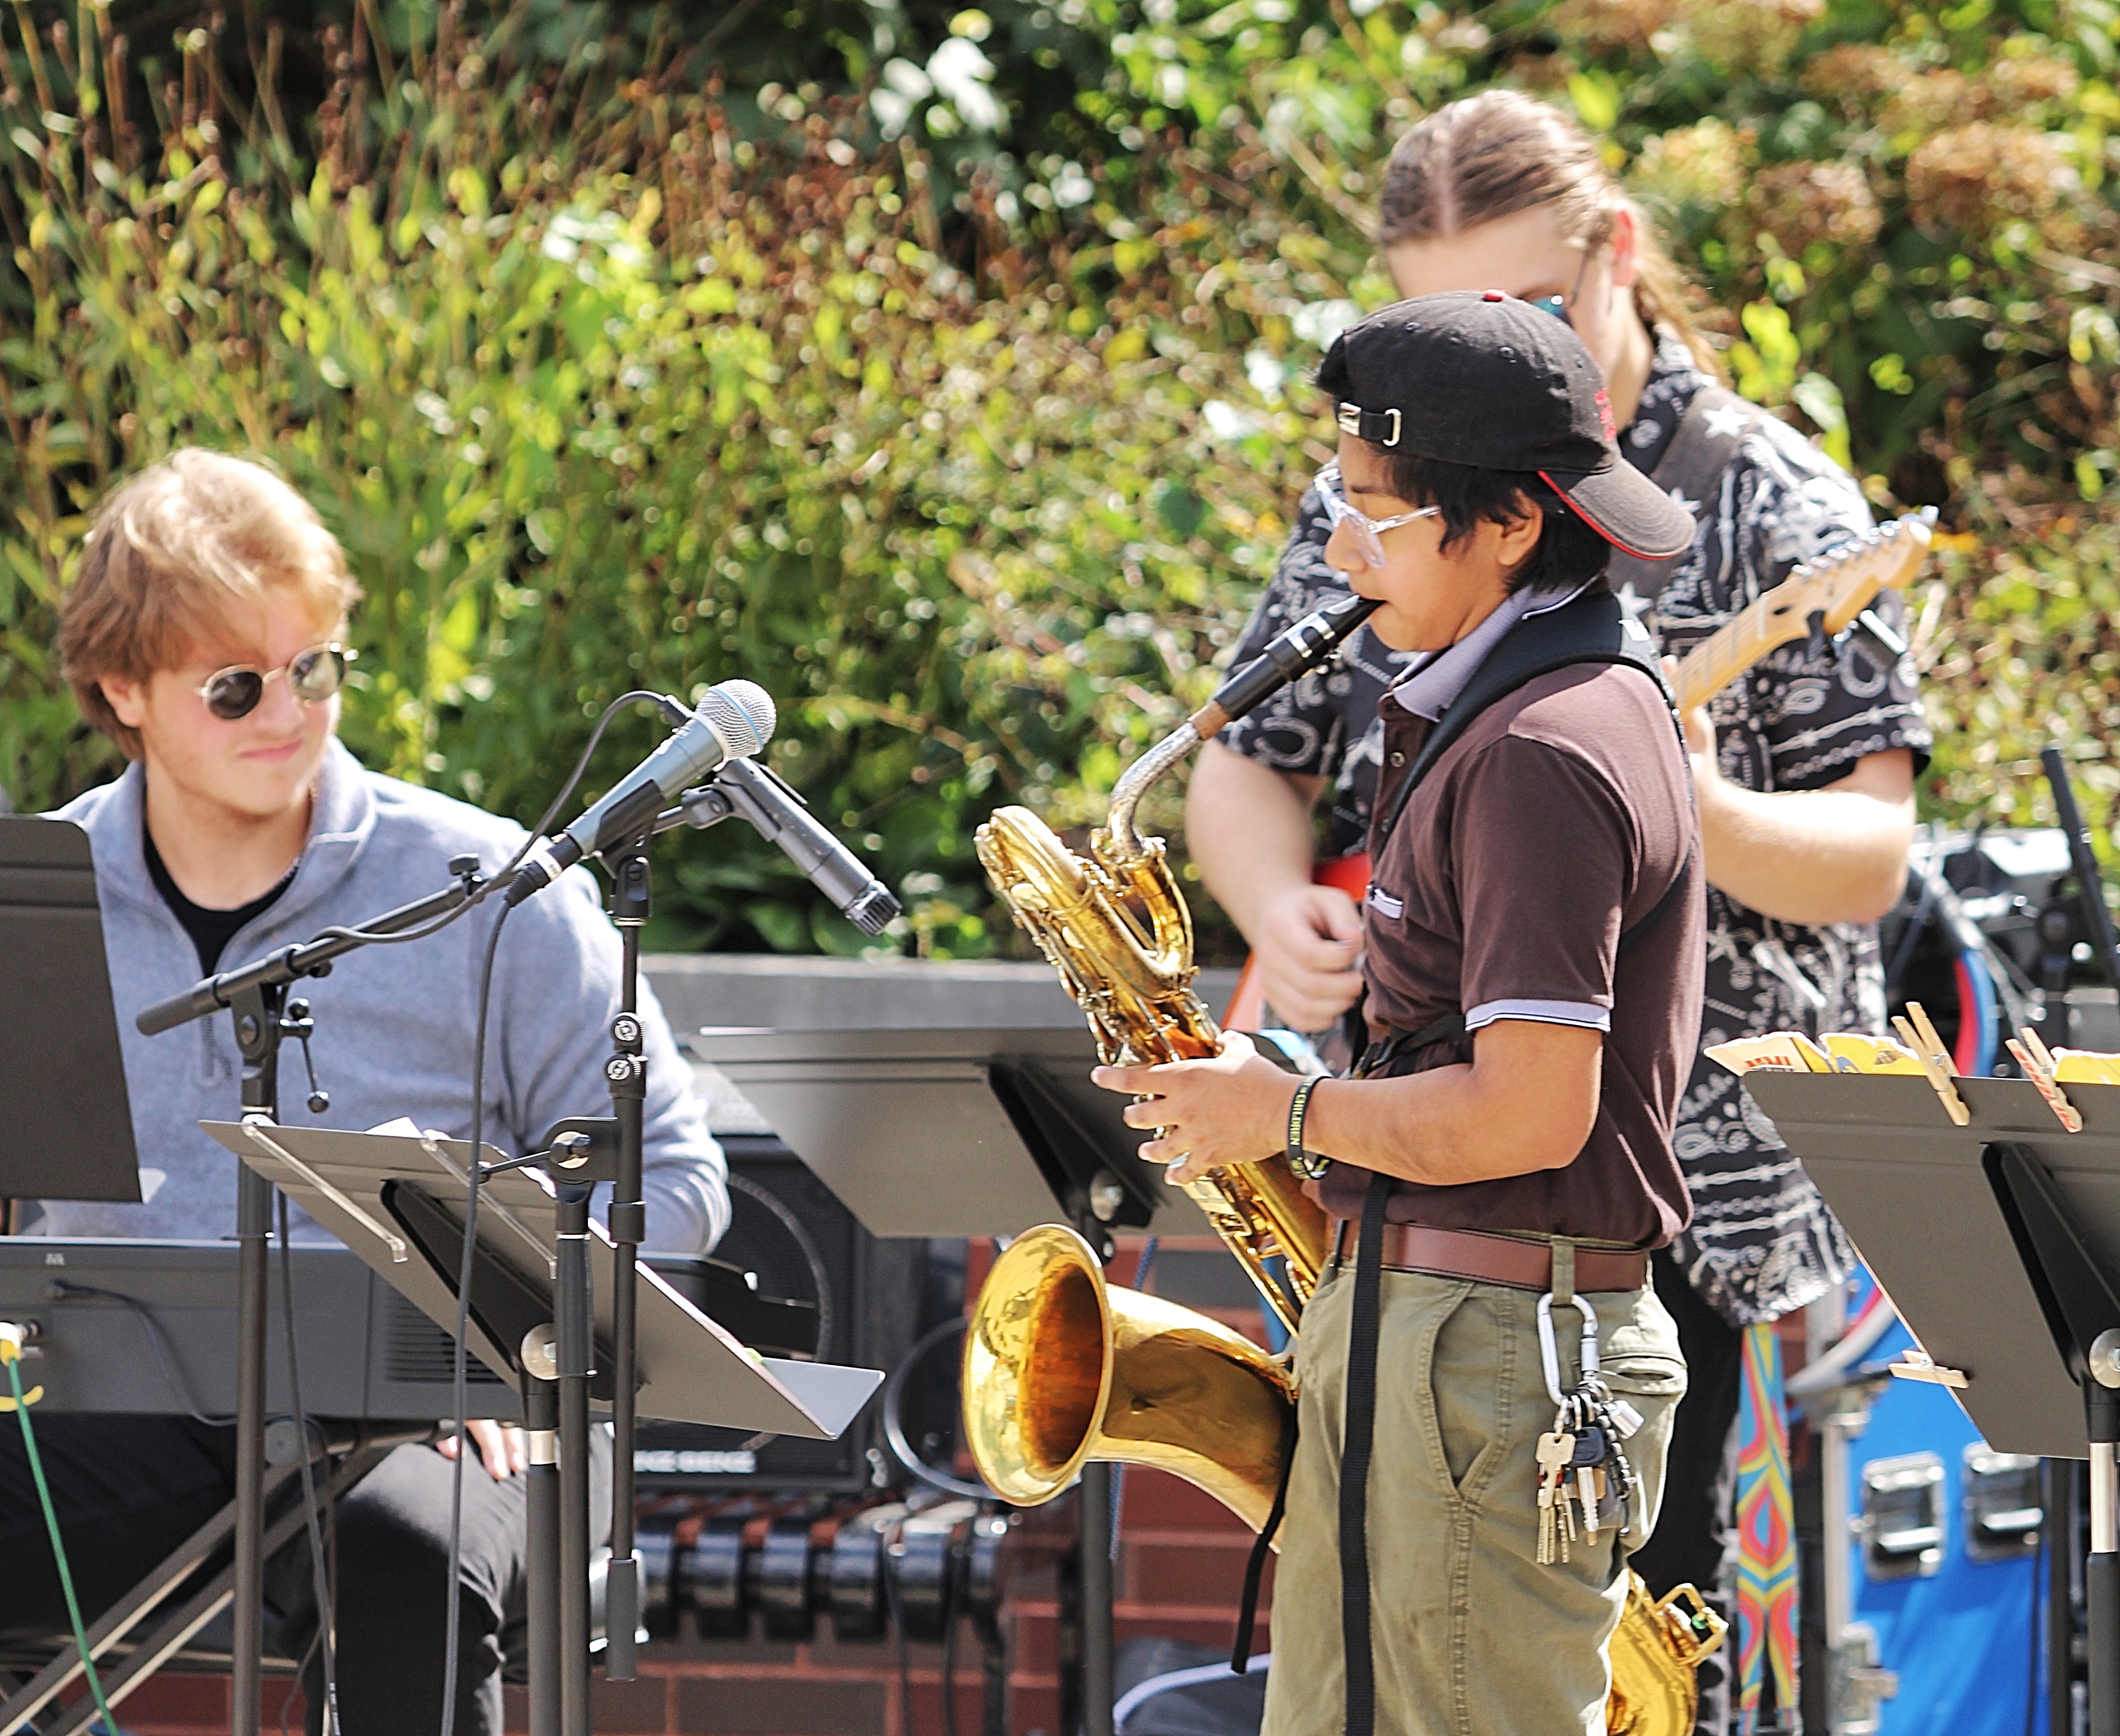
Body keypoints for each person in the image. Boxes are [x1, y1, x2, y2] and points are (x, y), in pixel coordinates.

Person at [1189, 90, 1928, 1732]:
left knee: (1675, 1672)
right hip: (1435, 1173)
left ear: (1620, 255)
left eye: (1519, 304)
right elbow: (1251, 754)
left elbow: (1875, 850)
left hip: (1699, 1193)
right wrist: (1276, 908)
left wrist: (1687, 801)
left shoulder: (1764, 496)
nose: (1484, 333)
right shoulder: (1397, 466)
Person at [2, 448, 729, 1735]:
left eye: (314, 668)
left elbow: (673, 1176)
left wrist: (519, 1338)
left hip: (457, 1411)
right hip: (142, 1405)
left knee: (410, 1557)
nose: (286, 711)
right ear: (124, 689)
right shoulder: (36, 898)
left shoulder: (489, 883)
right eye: (235, 686)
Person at [1099, 290, 1706, 1734]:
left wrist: (1286, 1110)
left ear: (1505, 525)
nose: (1336, 548)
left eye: (1375, 513)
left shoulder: (1545, 749)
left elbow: (1533, 1107)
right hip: (1455, 1337)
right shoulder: (1518, 711)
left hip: (1488, 1354)